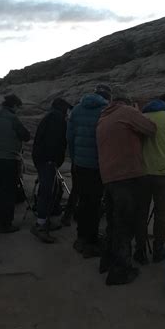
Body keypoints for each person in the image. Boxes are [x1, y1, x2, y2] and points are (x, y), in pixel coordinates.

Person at [96, 86, 157, 285]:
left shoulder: (103, 118)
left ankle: (107, 261)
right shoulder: (127, 112)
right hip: (127, 175)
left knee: (113, 222)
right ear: (126, 102)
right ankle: (120, 271)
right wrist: (137, 112)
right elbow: (151, 128)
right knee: (125, 223)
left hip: (108, 176)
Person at [67, 84, 111, 257]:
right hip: (98, 165)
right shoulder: (106, 110)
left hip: (80, 164)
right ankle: (91, 240)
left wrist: (74, 157)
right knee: (94, 202)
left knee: (84, 200)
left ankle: (81, 235)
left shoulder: (77, 109)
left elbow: (69, 136)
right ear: (107, 96)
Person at [31, 98, 72, 243]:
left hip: (43, 158)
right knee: (46, 191)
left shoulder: (50, 117)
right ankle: (40, 225)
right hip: (47, 159)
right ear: (62, 108)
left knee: (51, 190)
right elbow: (55, 141)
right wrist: (52, 159)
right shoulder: (56, 119)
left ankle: (44, 219)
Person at [138, 98, 165, 264]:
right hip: (163, 172)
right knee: (160, 215)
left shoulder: (141, 116)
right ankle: (158, 250)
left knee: (141, 214)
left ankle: (140, 251)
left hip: (143, 172)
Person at [0, 94, 30, 233]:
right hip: (8, 159)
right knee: (8, 193)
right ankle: (5, 224)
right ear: (14, 105)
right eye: (18, 107)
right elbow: (26, 135)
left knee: (1, 191)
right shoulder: (13, 118)